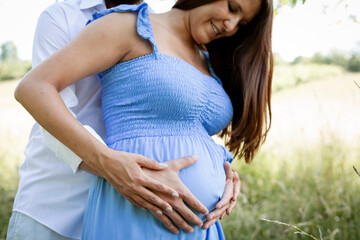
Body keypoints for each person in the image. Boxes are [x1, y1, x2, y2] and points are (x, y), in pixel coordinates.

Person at [7, 0, 241, 239]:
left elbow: (177, 118)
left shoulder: (159, 25)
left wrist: (219, 170)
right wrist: (112, 166)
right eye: (232, 8)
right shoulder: (62, 17)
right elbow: (44, 104)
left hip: (142, 209)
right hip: (56, 208)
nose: (232, 25)